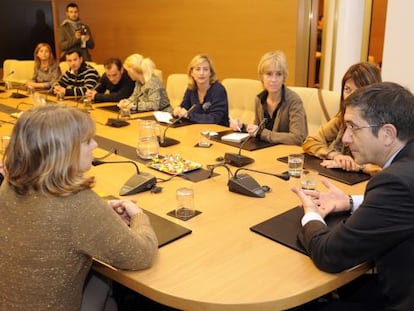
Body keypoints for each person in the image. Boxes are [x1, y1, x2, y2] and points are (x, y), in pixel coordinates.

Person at [0, 104, 158, 309]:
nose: (95, 145)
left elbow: (45, 218)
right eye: (87, 141)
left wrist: (100, 212)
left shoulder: (10, 184)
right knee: (112, 291)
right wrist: (138, 217)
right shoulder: (79, 203)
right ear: (63, 151)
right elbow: (141, 255)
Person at [291, 82, 414, 310]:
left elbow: (329, 255)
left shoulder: (396, 182)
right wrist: (349, 202)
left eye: (353, 127)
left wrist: (311, 214)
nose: (345, 139)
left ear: (388, 134)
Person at [302, 62, 382, 175]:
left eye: (358, 91)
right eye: (347, 89)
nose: (350, 97)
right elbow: (310, 141)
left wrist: (357, 166)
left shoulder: (381, 126)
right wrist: (335, 155)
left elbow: (387, 168)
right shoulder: (342, 118)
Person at [229, 51, 307, 145]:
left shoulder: (294, 101)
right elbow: (257, 129)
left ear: (284, 77)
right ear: (262, 77)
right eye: (269, 74)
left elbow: (297, 138)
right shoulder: (259, 99)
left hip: (287, 155)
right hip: (265, 151)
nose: (273, 80)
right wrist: (242, 127)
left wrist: (262, 133)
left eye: (278, 74)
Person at [173, 54, 229, 126]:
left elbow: (215, 118)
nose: (201, 73)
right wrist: (177, 111)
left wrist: (189, 115)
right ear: (192, 73)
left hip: (217, 133)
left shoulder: (218, 90)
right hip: (196, 130)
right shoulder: (191, 88)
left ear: (210, 73)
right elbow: (184, 107)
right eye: (198, 69)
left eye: (205, 69)